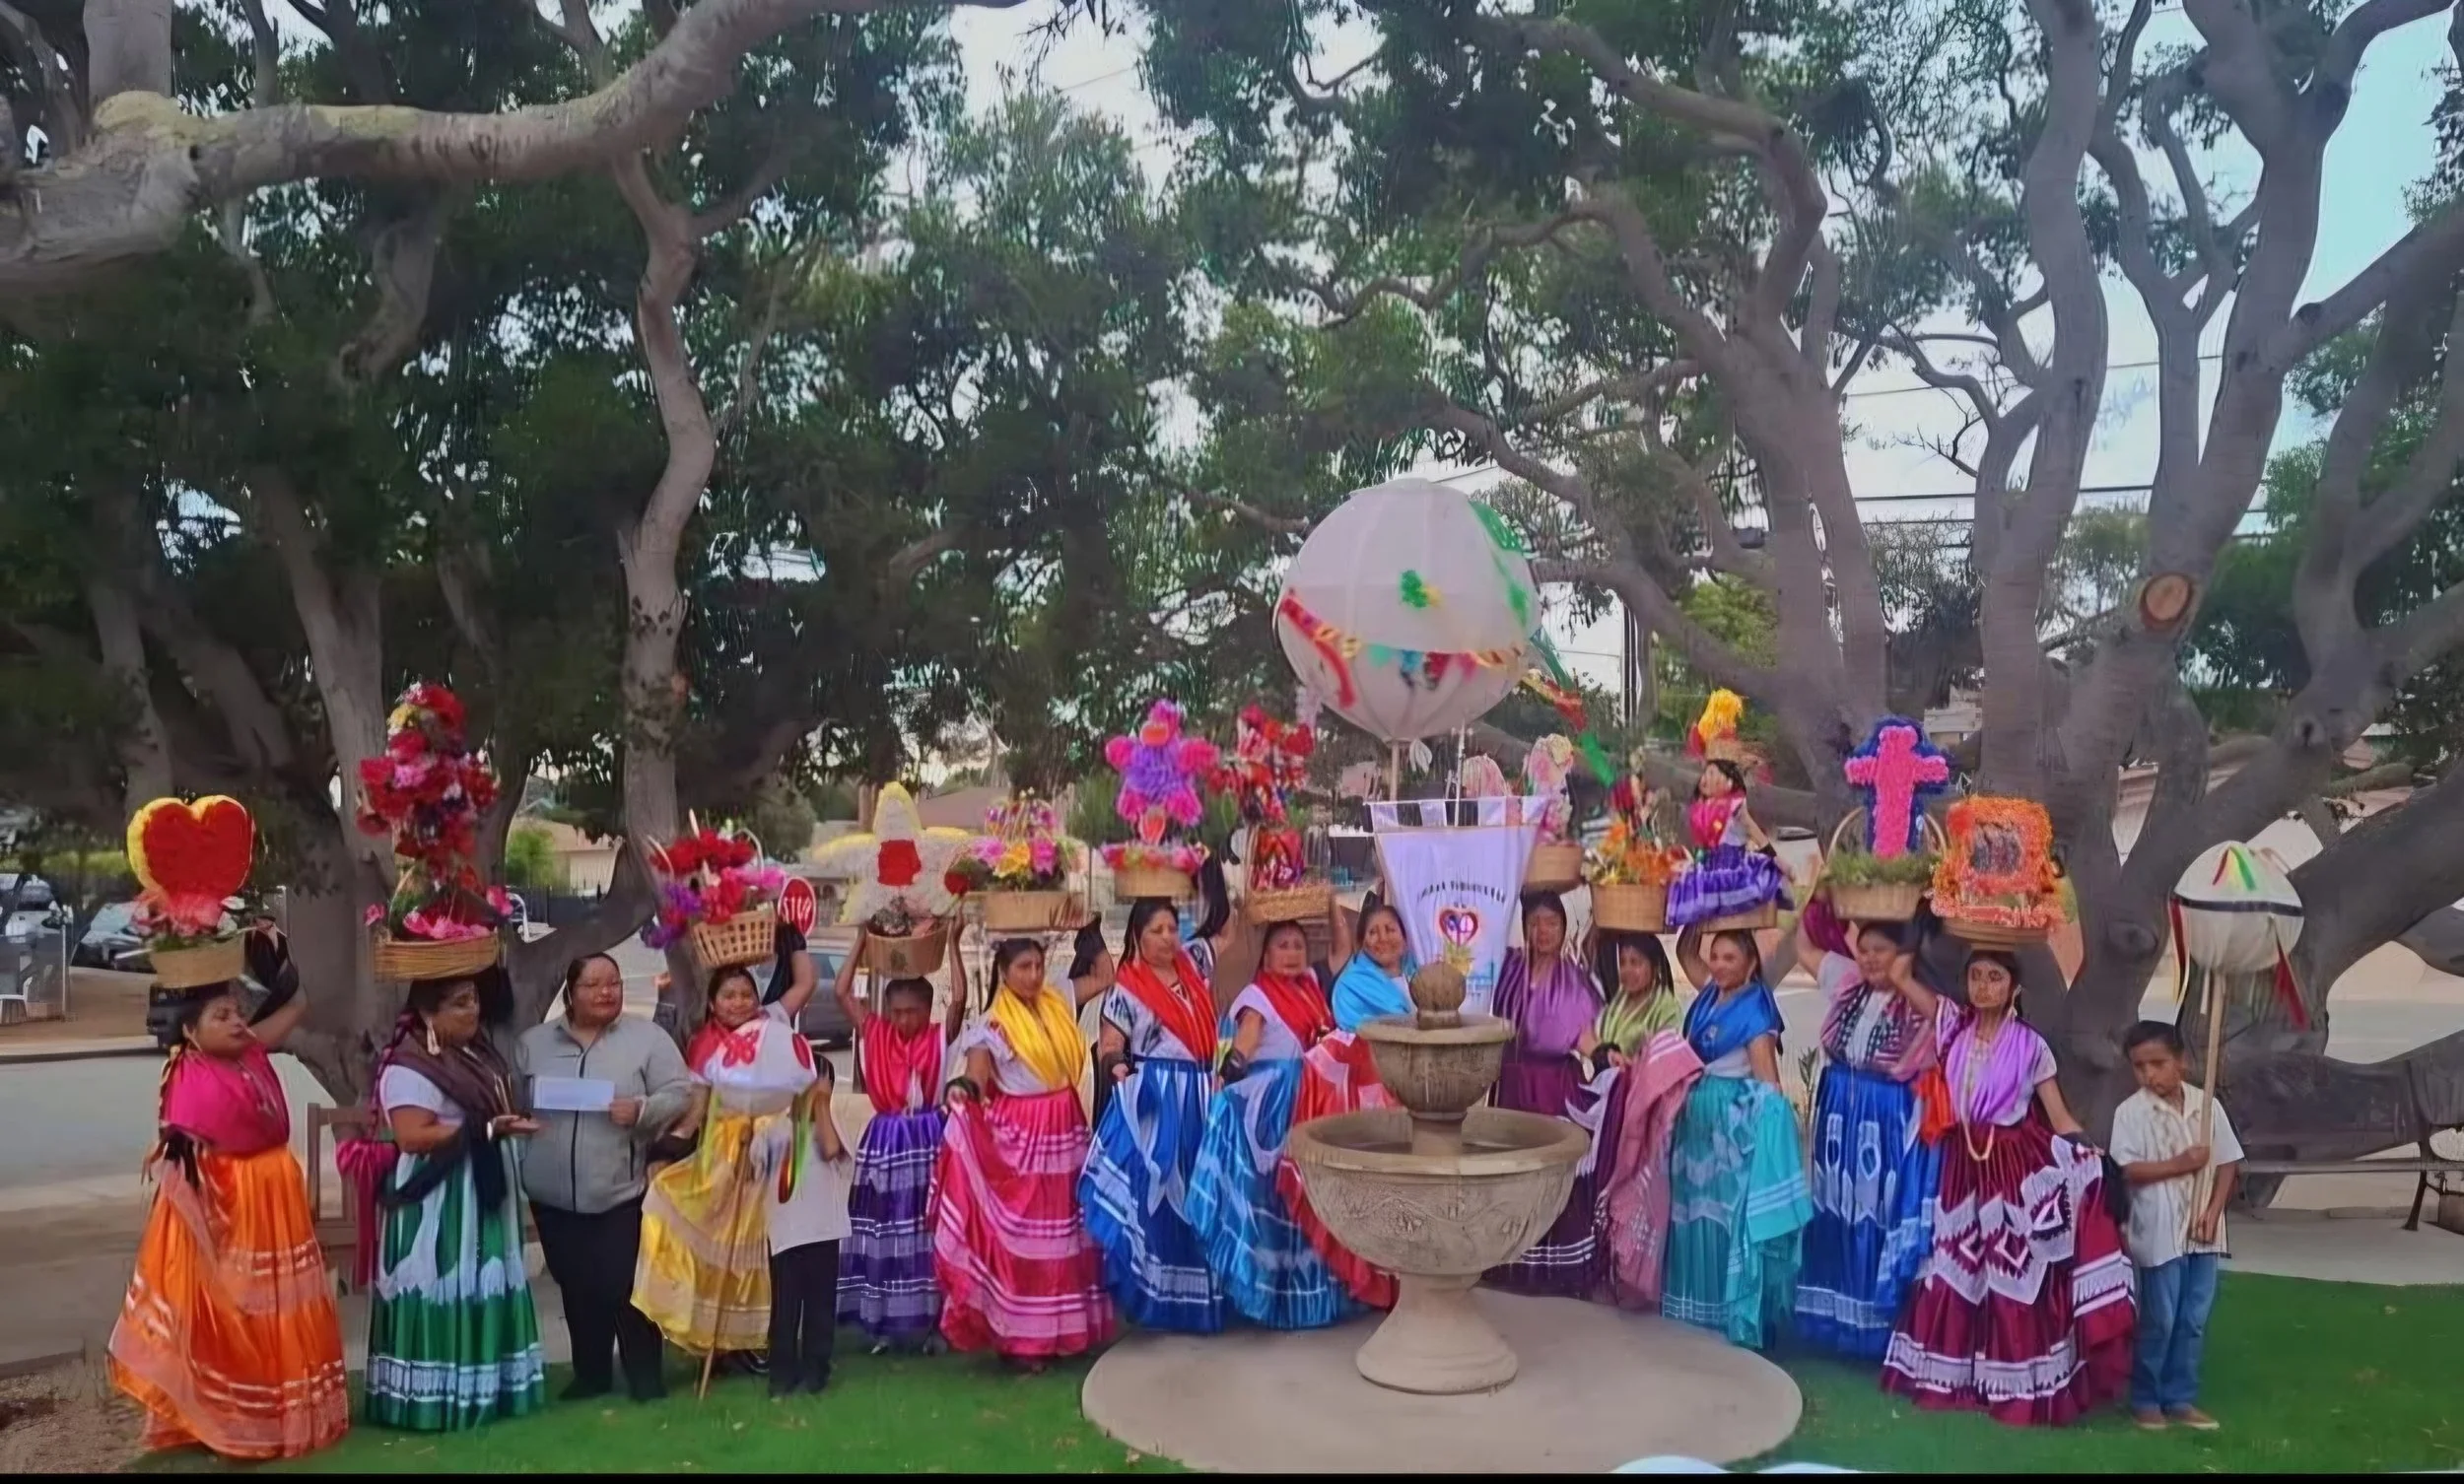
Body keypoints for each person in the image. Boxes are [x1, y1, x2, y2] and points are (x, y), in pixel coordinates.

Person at [108, 937, 350, 1461]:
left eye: (238, 1013)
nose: (238, 1022)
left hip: (275, 1197)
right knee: (235, 1314)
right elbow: (181, 1169)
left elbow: (297, 1007)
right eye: (222, 1016)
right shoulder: (188, 1078)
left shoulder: (251, 1051)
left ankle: (278, 1416)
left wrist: (278, 962)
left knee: (282, 1311)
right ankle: (231, 1422)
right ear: (191, 1033)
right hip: (232, 1210)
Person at [1881, 950, 2134, 1426]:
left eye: (1994, 978)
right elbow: (1899, 975)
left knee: (2010, 1273)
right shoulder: (1951, 1026)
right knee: (1953, 1267)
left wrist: (2088, 1153)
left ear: (2014, 988)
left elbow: (2056, 1116)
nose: (1983, 987)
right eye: (1975, 976)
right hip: (1959, 1165)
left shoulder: (2031, 1046)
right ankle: (1956, 1378)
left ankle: (2017, 1384)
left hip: (2012, 1164)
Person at [366, 970, 548, 1431]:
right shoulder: (411, 1065)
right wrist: (489, 1129)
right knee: (450, 1279)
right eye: (460, 1003)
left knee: (482, 1276)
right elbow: (411, 1136)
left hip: (477, 1186)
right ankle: (442, 1399)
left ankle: (487, 1388)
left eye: (473, 1000)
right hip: (441, 1199)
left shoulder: (469, 1052)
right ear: (428, 1012)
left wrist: (498, 1127)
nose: (474, 1011)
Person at [515, 953, 692, 1403]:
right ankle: (590, 1375)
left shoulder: (647, 1039)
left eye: (612, 982)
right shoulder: (534, 1043)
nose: (606, 992)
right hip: (552, 1194)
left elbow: (680, 1092)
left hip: (618, 1189)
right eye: (593, 985)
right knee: (576, 1288)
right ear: (571, 993)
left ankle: (645, 1379)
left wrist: (643, 1111)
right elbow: (515, 1096)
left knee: (625, 1287)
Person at [633, 960, 822, 1375]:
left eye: (746, 994)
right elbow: (697, 1110)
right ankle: (717, 1340)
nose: (739, 1003)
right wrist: (664, 1152)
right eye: (729, 996)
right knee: (723, 1247)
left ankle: (759, 1340)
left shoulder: (773, 1026)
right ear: (713, 1004)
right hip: (724, 1155)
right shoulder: (704, 1044)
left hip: (774, 1150)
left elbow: (806, 986)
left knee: (765, 1249)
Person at [934, 938, 1117, 1367]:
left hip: (1065, 1133)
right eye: (1023, 967)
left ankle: (1066, 1334)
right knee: (1028, 1242)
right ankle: (1023, 1342)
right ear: (1003, 971)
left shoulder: (1056, 999)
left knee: (1068, 1237)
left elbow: (1108, 977)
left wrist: (1089, 932)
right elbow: (977, 1074)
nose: (1033, 975)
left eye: (1037, 965)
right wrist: (964, 1088)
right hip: (1025, 1144)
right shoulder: (993, 1025)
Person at [1792, 902, 1944, 1362]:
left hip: (1885, 1117)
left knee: (1875, 1208)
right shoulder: (1846, 981)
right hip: (1840, 1112)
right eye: (1865, 950)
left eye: (1881, 950)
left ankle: (1878, 1329)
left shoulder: (1919, 995)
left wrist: (1901, 976)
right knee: (1836, 1206)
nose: (1871, 959)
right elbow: (1803, 946)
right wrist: (1818, 896)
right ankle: (1833, 1323)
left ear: (1902, 953)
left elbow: (1939, 1019)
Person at [1186, 912, 1354, 1328]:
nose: (1293, 953)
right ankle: (1271, 1295)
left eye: (1298, 946)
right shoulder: (1258, 997)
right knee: (1278, 1196)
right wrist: (1227, 1077)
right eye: (1283, 945)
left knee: (1310, 1197)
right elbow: (1245, 1044)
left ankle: (1307, 1297)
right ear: (1265, 955)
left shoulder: (1312, 988)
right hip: (1275, 1107)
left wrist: (1330, 905)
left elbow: (1342, 950)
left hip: (1310, 1100)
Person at [1080, 885, 1235, 1333]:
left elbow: (1231, 925)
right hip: (1157, 1098)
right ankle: (1160, 1299)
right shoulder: (1126, 989)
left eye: (1172, 928)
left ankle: (1204, 1296)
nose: (1168, 938)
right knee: (1161, 1198)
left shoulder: (1196, 965)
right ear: (1138, 937)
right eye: (1157, 930)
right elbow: (1111, 1044)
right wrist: (1120, 1075)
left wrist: (1201, 872)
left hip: (1203, 1094)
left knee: (1203, 1191)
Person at [1663, 926, 1812, 1349]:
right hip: (1697, 1122)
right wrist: (1705, 905)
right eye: (1717, 956)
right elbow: (1686, 950)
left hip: (1730, 1131)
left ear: (1750, 964)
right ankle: (1698, 1306)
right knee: (1694, 1213)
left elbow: (1770, 1088)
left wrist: (1764, 1138)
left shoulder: (1755, 1016)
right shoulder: (1711, 994)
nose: (1719, 965)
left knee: (1726, 1217)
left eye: (1730, 958)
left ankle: (1734, 1313)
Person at [835, 932, 967, 1354]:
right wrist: (860, 939)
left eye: (913, 1012)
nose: (905, 1020)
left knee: (929, 1230)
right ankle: (885, 1323)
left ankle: (934, 1322)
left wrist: (954, 945)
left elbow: (960, 999)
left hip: (928, 1137)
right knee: (885, 1230)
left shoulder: (937, 1037)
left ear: (928, 1010)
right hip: (886, 1140)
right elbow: (841, 990)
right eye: (897, 1012)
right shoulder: (875, 1031)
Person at [1278, 898, 1412, 1309]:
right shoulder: (1353, 981)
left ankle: (1408, 1284)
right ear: (1360, 942)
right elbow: (1347, 1047)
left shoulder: (1423, 979)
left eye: (1390, 929)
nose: (1382, 938)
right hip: (1364, 1102)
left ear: (1406, 938)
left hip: (1414, 1098)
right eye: (1373, 932)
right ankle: (1369, 1285)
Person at [2109, 1019, 2242, 1433]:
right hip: (2158, 1231)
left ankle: (2180, 1397)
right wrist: (2179, 1165)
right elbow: (2127, 1169)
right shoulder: (2131, 1113)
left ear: (2181, 1062)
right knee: (2160, 1318)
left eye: (2158, 1063)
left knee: (2194, 1318)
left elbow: (2227, 1162)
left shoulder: (2208, 1107)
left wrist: (2215, 1210)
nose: (2149, 1074)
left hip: (2203, 1231)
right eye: (2140, 1066)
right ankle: (2146, 1399)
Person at [1484, 891, 1606, 1296]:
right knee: (1510, 1168)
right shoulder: (1508, 968)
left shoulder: (1575, 979)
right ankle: (1511, 1260)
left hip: (1553, 1084)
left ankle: (1559, 1266)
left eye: (1551, 922)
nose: (1543, 931)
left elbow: (1586, 1037)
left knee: (1553, 1172)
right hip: (1513, 1080)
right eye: (1535, 922)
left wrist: (1607, 1059)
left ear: (1563, 928)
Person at [1577, 929, 1705, 1311]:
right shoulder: (1618, 1001)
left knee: (1634, 1190)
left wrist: (1631, 1063)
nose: (1628, 971)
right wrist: (1605, 1053)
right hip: (1611, 1104)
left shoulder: (1665, 1006)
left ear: (1654, 966)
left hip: (1642, 1111)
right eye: (1623, 963)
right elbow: (1591, 1036)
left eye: (1637, 963)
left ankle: (1632, 1275)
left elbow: (1668, 1059)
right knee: (1603, 1183)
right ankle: (1604, 1268)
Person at [749, 1057, 855, 1395]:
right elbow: (751, 1170)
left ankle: (816, 1371)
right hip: (785, 1234)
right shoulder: (772, 1130)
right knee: (786, 1306)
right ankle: (782, 1373)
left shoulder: (832, 1126)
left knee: (820, 1306)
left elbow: (831, 1150)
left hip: (823, 1231)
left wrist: (821, 1104)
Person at [1666, 760, 1789, 929]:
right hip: (1708, 874)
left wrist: (1773, 859)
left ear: (1728, 783)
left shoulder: (1736, 807)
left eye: (1712, 773)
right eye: (1705, 773)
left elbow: (1756, 834)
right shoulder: (1704, 809)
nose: (1705, 778)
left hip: (1730, 876)